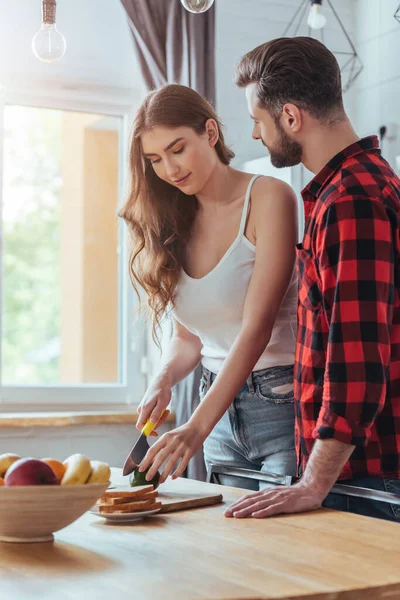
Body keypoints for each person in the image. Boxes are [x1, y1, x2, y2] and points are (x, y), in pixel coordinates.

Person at [225, 37, 400, 521]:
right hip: (356, 473)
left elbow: (357, 360)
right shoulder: (350, 188)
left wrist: (313, 482)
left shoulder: (352, 201)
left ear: (290, 117)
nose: (257, 136)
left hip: (366, 477)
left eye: (259, 121)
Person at [120, 83, 299, 490]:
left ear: (211, 133)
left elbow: (258, 327)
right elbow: (189, 339)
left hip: (282, 402)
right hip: (216, 410)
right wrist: (163, 379)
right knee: (228, 549)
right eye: (155, 159)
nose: (169, 169)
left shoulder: (269, 197)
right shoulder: (173, 223)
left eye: (177, 148)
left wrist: (195, 427)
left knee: (284, 549)